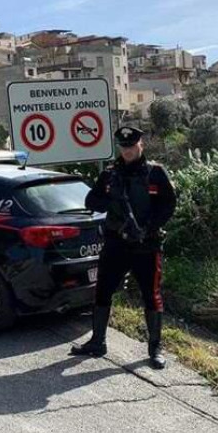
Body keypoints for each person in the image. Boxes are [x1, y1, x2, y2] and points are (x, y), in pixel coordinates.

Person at [70, 126, 177, 369]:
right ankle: (98, 342)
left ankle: (155, 348)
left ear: (141, 145)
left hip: (145, 245)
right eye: (123, 146)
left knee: (152, 295)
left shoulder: (155, 173)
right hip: (115, 243)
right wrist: (112, 198)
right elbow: (91, 201)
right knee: (103, 290)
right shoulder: (109, 175)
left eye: (131, 146)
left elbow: (168, 205)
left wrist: (148, 228)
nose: (127, 150)